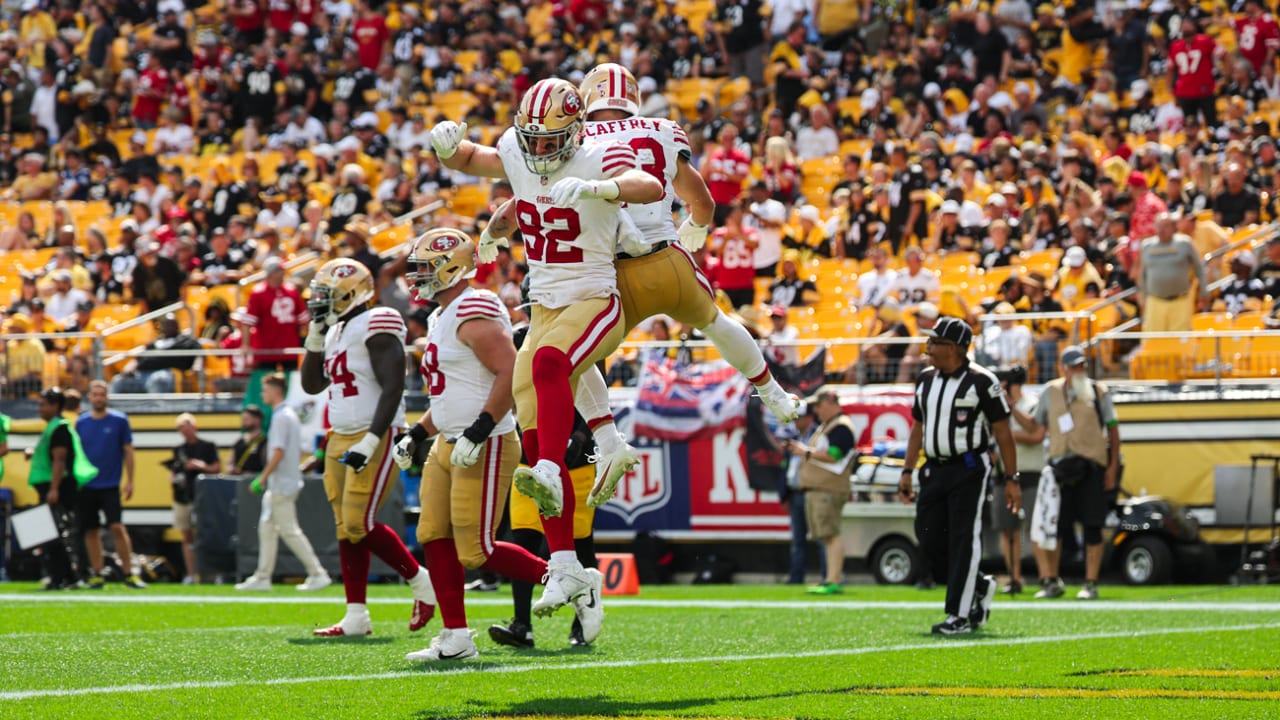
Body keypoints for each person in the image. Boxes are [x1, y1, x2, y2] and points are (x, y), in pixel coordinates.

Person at [429, 77, 661, 619]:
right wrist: (447, 148)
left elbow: (647, 185)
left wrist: (604, 191)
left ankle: (579, 455)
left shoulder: (598, 152)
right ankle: (564, 566)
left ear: (577, 131)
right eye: (529, 138)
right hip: (546, 305)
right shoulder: (519, 148)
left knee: (549, 366)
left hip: (595, 297)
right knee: (535, 439)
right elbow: (476, 157)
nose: (537, 150)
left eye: (548, 139)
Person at [556, 63, 801, 508]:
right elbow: (703, 202)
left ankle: (609, 439)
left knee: (571, 361)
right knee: (716, 321)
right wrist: (696, 230)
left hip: (611, 276)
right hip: (666, 258)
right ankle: (772, 391)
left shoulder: (578, 139)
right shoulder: (663, 129)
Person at [392, 229, 601, 658]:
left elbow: (510, 373)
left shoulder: (474, 306)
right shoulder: (439, 316)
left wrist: (481, 427)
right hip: (450, 440)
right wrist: (416, 432)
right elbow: (454, 395)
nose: (417, 275)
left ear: (452, 267)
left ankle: (574, 582)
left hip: (483, 442)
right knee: (433, 533)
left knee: (476, 550)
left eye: (426, 266)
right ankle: (456, 638)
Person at [301, 258, 436, 637]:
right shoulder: (333, 330)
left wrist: (373, 438)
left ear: (351, 292)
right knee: (346, 527)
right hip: (339, 433)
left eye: (326, 295)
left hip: (374, 433)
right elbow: (312, 385)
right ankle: (356, 615)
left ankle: (421, 580)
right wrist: (314, 336)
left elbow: (394, 385)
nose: (318, 302)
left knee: (360, 523)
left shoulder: (379, 320)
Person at [897, 317, 1020, 635]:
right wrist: (907, 470)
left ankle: (959, 616)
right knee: (928, 537)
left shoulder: (982, 381)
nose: (928, 347)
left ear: (953, 348)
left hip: (968, 469)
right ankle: (978, 585)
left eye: (935, 342)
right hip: (933, 468)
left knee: (963, 538)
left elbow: (1004, 433)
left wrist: (1012, 478)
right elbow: (918, 427)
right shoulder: (925, 379)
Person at [1011, 346, 1121, 600]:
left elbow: (1113, 430)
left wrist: (1112, 467)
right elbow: (1035, 428)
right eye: (1074, 366)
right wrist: (1012, 409)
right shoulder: (1051, 391)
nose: (1079, 370)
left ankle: (1090, 583)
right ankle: (1052, 580)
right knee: (1056, 527)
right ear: (1063, 368)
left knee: (1093, 526)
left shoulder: (1098, 391)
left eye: (1081, 365)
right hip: (1061, 468)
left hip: (1092, 466)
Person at [236, 373, 331, 592]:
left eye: (266, 390)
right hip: (283, 483)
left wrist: (263, 477)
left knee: (289, 530)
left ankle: (317, 573)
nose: (262, 394)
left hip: (281, 484)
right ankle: (262, 576)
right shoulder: (288, 415)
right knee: (267, 528)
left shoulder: (281, 417)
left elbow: (278, 452)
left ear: (276, 391)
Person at [75, 381, 146, 589]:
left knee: (116, 526)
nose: (99, 398)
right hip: (87, 485)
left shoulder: (119, 421)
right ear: (89, 397)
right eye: (95, 395)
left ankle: (129, 573)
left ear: (107, 397)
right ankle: (97, 574)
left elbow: (128, 452)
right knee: (91, 529)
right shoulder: (82, 422)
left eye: (102, 395)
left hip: (110, 484)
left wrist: (130, 480)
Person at [784, 391, 857, 594]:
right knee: (826, 536)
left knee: (831, 534)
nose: (816, 411)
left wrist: (805, 451)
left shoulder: (841, 426)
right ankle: (829, 578)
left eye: (819, 405)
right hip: (820, 489)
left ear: (831, 403)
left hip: (829, 489)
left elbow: (835, 455)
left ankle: (833, 579)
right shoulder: (829, 426)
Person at [29, 388, 98, 590]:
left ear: (55, 406)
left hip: (56, 490)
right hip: (51, 488)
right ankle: (61, 576)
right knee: (49, 533)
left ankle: (66, 576)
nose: (39, 409)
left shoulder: (59, 427)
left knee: (55, 534)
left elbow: (60, 460)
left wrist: (53, 489)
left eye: (43, 404)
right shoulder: (53, 427)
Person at [991, 366, 1042, 595]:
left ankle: (1046, 577)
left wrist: (1011, 413)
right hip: (1003, 474)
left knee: (1035, 528)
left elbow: (1035, 433)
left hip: (1030, 473)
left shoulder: (1032, 402)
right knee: (1007, 529)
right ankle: (1015, 578)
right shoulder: (996, 407)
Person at [169, 413, 221, 584]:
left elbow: (217, 468)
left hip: (202, 497)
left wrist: (201, 466)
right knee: (186, 536)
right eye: (181, 427)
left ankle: (210, 573)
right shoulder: (178, 449)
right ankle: (191, 574)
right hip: (182, 497)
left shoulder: (207, 446)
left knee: (205, 535)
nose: (184, 429)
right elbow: (174, 470)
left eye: (187, 425)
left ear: (194, 426)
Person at [1137, 213, 1208, 332]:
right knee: (1154, 342)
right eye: (1158, 226)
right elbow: (1143, 274)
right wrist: (1143, 297)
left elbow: (1199, 268)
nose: (1161, 230)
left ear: (1173, 227)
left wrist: (1203, 291)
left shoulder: (1184, 243)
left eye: (1165, 226)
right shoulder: (1147, 246)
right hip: (1155, 302)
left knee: (1179, 342)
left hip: (1180, 301)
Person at [109, 314, 202, 394]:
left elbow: (199, 353)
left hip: (167, 372)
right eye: (166, 324)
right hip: (142, 373)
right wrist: (130, 366)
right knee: (118, 381)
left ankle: (155, 412)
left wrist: (197, 365)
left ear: (177, 326)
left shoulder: (185, 340)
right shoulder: (155, 342)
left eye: (171, 324)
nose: (168, 327)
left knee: (157, 380)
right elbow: (139, 359)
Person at [229, 405, 269, 475]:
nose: (244, 422)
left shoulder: (265, 442)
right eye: (243, 419)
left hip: (256, 483)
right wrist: (231, 468)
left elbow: (268, 465)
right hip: (239, 483)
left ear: (257, 420)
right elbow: (230, 462)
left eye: (247, 419)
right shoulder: (239, 442)